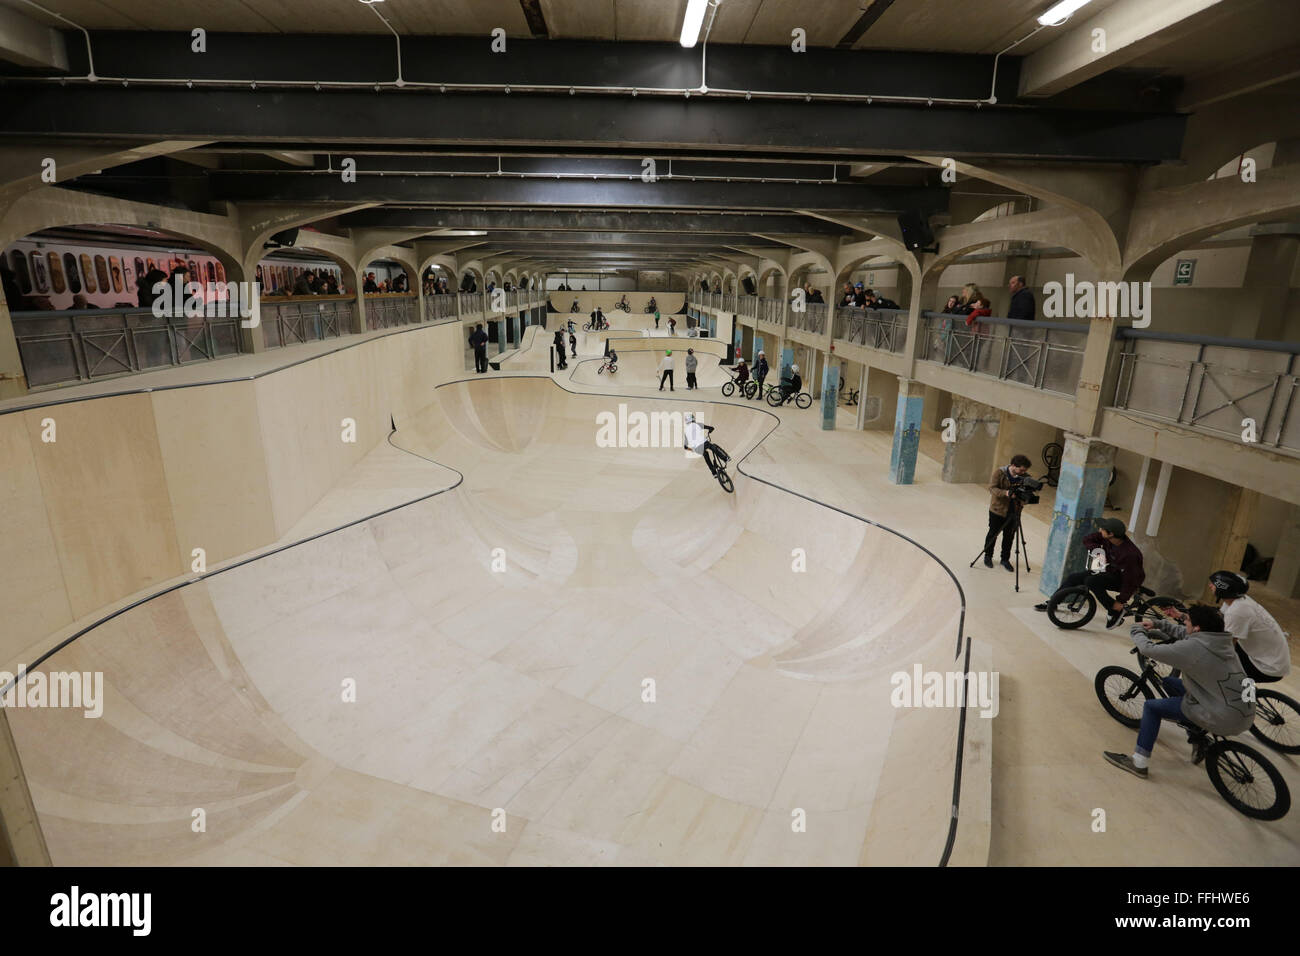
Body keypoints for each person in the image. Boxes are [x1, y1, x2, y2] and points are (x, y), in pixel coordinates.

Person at [1103, 604, 1255, 778]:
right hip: (1244, 709)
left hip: (1221, 715)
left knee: (1152, 707)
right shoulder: (1222, 640)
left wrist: (1137, 631)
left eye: (1187, 620)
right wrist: (1159, 624)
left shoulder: (1193, 649)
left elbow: (1149, 650)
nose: (1185, 623)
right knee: (1170, 682)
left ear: (1197, 627)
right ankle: (1197, 735)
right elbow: (1187, 634)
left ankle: (1139, 763)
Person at [1035, 517, 1145, 629]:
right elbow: (1087, 539)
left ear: (1111, 533)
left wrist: (1121, 600)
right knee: (1074, 577)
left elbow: (1130, 580)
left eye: (1103, 528)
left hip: (1124, 580)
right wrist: (1099, 551)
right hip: (1110, 571)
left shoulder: (1130, 554)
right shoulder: (1107, 538)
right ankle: (1053, 602)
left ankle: (1114, 609)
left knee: (1091, 581)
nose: (1100, 529)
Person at [1208, 570, 1291, 682]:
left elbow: (1227, 645)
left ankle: (1235, 696)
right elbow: (1218, 618)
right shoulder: (1237, 600)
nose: (1210, 585)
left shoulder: (1237, 611)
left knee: (1215, 668)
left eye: (1213, 584)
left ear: (1223, 589)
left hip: (1267, 667)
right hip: (1272, 659)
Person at [984, 454, 1032, 571]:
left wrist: (1025, 498)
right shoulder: (1000, 473)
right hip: (997, 510)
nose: (1023, 472)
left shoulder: (1025, 477)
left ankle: (1005, 559)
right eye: (1021, 470)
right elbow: (992, 488)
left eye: (1025, 470)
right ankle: (988, 556)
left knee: (1009, 537)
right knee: (993, 534)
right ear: (1013, 466)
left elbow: (1026, 495)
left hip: (1014, 512)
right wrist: (1005, 493)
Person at [683, 413, 725, 477]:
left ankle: (714, 473)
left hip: (697, 448)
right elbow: (711, 428)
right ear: (693, 419)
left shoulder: (686, 431)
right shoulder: (697, 424)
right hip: (704, 443)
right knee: (712, 447)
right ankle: (725, 458)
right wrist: (710, 431)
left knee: (706, 455)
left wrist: (692, 449)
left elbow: (685, 447)